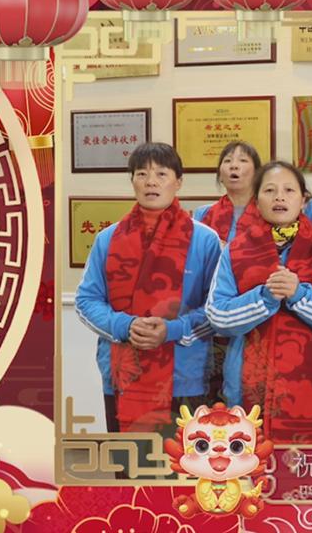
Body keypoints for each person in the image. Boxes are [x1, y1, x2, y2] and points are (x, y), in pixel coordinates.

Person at [75, 142, 221, 435]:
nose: (151, 181)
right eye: (141, 174)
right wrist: (125, 326)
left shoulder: (205, 240)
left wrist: (172, 330)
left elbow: (216, 308)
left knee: (184, 458)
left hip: (185, 375)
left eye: (161, 174)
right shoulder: (107, 238)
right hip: (122, 374)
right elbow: (86, 300)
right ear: (132, 181)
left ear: (178, 182)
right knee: (128, 460)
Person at [205, 161, 312, 444]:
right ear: (256, 200)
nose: (279, 197)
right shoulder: (236, 249)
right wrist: (264, 297)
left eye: (289, 190)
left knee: (308, 469)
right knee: (249, 467)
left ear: (303, 200)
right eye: (269, 190)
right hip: (246, 385)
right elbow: (217, 316)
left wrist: (299, 294)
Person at [192, 140, 262, 405]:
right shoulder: (203, 215)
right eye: (228, 161)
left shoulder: (268, 213)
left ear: (257, 171)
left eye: (243, 160)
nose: (234, 166)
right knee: (206, 401)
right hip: (206, 320)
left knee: (243, 400)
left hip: (250, 318)